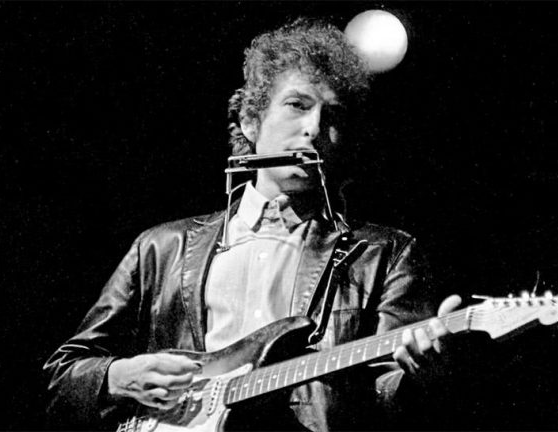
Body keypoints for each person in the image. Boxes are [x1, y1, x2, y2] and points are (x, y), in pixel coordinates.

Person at [44, 18, 463, 431]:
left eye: (332, 116)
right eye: (297, 105)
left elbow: (387, 395)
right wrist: (119, 377)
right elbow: (63, 376)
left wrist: (423, 375)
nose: (314, 128)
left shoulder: (384, 254)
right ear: (250, 121)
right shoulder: (161, 246)